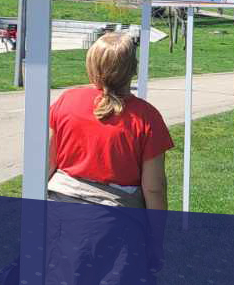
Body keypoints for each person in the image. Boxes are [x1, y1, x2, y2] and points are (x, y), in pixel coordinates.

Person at [46, 32, 173, 281]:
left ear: (91, 66)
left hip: (60, 213)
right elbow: (154, 189)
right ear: (133, 68)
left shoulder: (67, 101)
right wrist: (156, 239)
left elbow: (48, 164)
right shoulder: (147, 117)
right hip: (117, 223)